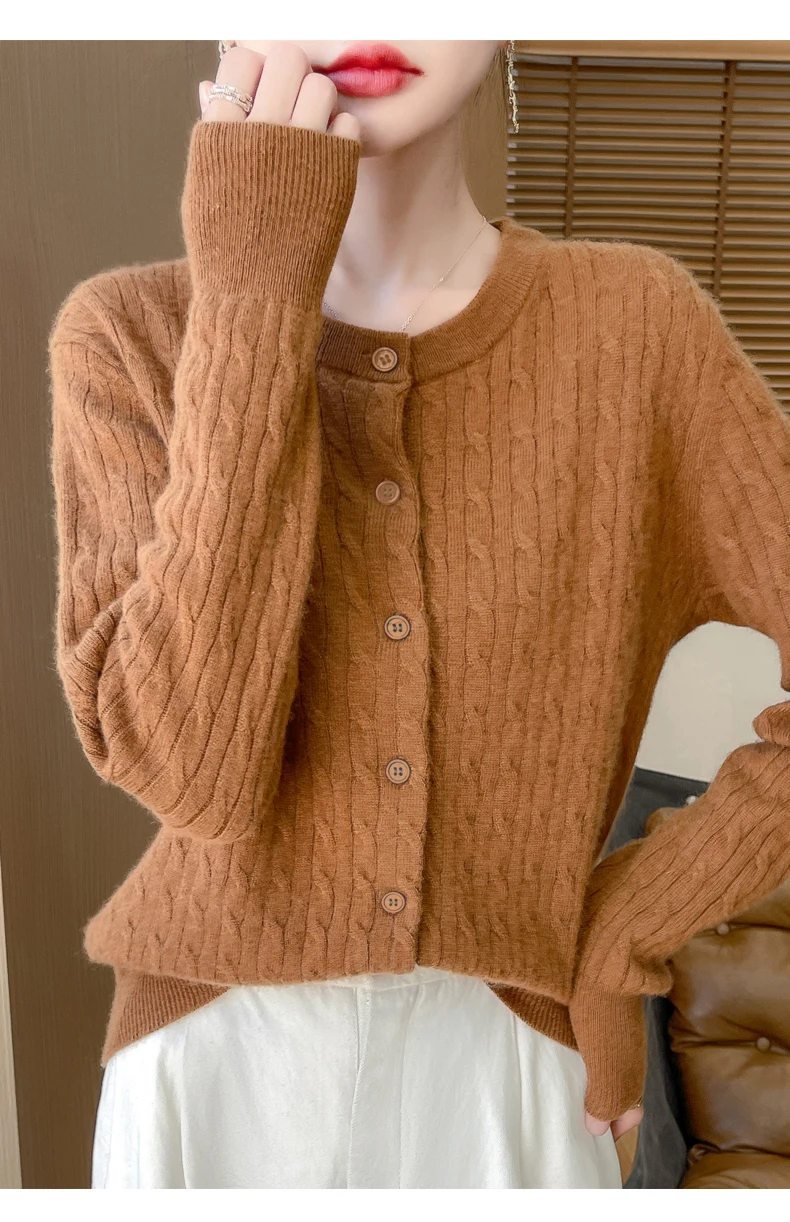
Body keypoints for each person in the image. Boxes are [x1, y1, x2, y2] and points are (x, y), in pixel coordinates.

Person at [47, 39, 790, 1189]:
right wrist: (253, 294)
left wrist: (627, 927)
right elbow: (194, 776)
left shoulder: (638, 329)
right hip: (214, 1071)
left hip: (514, 1061)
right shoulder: (128, 334)